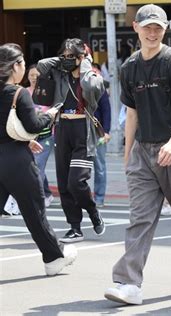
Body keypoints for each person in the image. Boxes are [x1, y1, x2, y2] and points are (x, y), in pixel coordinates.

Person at [104, 4, 171, 305]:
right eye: (147, 27)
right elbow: (131, 115)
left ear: (165, 31)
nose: (152, 32)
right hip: (143, 150)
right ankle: (128, 283)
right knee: (139, 218)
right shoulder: (129, 68)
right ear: (136, 28)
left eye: (158, 28)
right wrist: (128, 156)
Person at [0, 43, 77, 275]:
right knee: (34, 211)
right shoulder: (19, 93)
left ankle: (55, 254)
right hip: (17, 161)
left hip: (8, 151)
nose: (24, 67)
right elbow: (34, 125)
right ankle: (54, 257)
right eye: (22, 62)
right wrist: (50, 116)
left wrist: (23, 139)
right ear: (15, 66)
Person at [37, 38, 106, 243]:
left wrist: (85, 65)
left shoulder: (93, 76)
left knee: (76, 182)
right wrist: (63, 59)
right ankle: (75, 227)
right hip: (62, 129)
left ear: (82, 57)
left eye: (71, 56)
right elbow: (42, 66)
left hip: (82, 131)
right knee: (64, 182)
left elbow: (90, 87)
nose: (67, 60)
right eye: (64, 56)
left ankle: (93, 212)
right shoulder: (61, 74)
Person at [23, 64, 55, 207]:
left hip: (46, 136)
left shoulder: (46, 92)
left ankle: (39, 198)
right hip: (29, 138)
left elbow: (54, 112)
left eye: (37, 75)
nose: (34, 78)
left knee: (37, 166)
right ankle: (47, 194)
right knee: (35, 166)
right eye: (31, 75)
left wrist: (45, 116)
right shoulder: (23, 93)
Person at [91, 63, 111, 208]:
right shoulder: (80, 89)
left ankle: (99, 197)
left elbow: (106, 112)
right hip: (82, 132)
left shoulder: (102, 90)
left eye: (95, 71)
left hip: (98, 133)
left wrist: (107, 132)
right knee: (80, 167)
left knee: (100, 167)